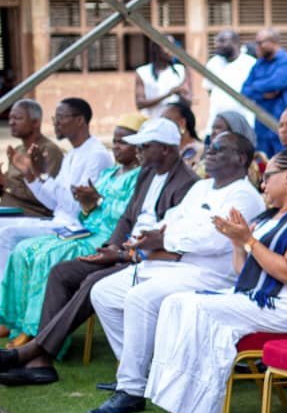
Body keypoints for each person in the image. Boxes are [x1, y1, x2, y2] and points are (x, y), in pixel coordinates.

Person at [145, 149, 287, 413]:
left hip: (286, 307)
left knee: (201, 310)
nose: (262, 184)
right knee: (175, 301)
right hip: (256, 298)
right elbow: (242, 272)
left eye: (266, 177)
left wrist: (248, 239)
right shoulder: (271, 217)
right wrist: (238, 242)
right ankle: (181, 405)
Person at [0, 119, 197, 387]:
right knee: (62, 272)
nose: (139, 151)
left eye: (145, 146)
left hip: (148, 260)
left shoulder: (187, 184)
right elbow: (127, 218)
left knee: (94, 281)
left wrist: (120, 255)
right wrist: (112, 247)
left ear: (165, 149)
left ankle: (35, 351)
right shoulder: (147, 173)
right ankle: (40, 362)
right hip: (122, 251)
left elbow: (168, 238)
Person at [84, 132, 265, 413]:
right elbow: (172, 218)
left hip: (212, 274)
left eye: (218, 149)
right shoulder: (202, 186)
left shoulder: (244, 195)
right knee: (103, 293)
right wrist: (152, 236)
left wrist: (166, 240)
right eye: (208, 146)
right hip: (176, 265)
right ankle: (138, 374)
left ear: (240, 159)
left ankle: (130, 390)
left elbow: (214, 238)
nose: (209, 152)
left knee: (140, 298)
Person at [0, 114, 145, 346]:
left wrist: (97, 201)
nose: (116, 147)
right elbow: (85, 212)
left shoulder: (140, 177)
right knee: (25, 249)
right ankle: (16, 322)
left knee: (46, 257)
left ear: (140, 145)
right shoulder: (109, 174)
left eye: (123, 141)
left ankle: (37, 332)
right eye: (115, 141)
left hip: (109, 239)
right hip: (84, 230)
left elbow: (130, 215)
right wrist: (86, 202)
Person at [0, 98, 114, 274]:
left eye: (61, 117)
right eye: (55, 118)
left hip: (75, 228)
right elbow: (54, 203)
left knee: (6, 234)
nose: (56, 123)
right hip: (58, 220)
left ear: (79, 120)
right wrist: (31, 175)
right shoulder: (71, 154)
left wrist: (42, 175)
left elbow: (77, 208)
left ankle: (3, 296)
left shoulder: (96, 155)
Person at [0, 99, 65, 218]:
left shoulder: (48, 151)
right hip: (6, 212)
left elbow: (47, 195)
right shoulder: (18, 149)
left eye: (17, 118)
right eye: (10, 118)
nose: (11, 122)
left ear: (35, 122)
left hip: (31, 216)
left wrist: (6, 183)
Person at [241, 28, 287, 157]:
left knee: (285, 162)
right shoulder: (259, 64)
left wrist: (257, 86)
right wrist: (263, 93)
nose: (257, 47)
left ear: (273, 42)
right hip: (262, 123)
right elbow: (245, 90)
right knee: (264, 162)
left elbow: (277, 83)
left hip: (284, 123)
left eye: (260, 43)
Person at [205, 29, 255, 127]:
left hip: (244, 124)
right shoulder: (213, 63)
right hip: (216, 121)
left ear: (235, 43)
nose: (218, 45)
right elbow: (209, 89)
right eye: (217, 41)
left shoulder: (250, 64)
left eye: (222, 41)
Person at [135, 42, 191, 121]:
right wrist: (168, 94)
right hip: (151, 124)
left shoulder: (181, 70)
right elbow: (140, 104)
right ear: (156, 49)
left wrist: (181, 94)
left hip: (174, 125)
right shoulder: (143, 72)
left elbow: (188, 102)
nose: (171, 50)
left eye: (173, 46)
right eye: (167, 46)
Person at [162, 102, 203, 168]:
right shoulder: (164, 150)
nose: (161, 125)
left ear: (182, 123)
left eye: (166, 121)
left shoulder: (200, 150)